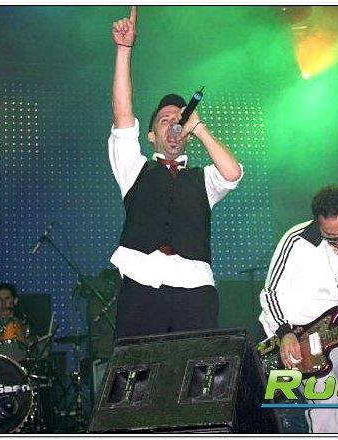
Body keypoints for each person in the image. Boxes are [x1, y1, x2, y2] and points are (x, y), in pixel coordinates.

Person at [108, 8, 243, 339]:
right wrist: (124, 50)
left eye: (178, 120)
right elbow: (123, 114)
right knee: (138, 367)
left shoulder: (202, 179)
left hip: (195, 287)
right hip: (141, 282)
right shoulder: (135, 169)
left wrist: (199, 128)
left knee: (198, 368)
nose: (173, 125)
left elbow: (232, 174)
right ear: (151, 135)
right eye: (164, 120)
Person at [259, 186, 338, 433]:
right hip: (298, 338)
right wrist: (285, 333)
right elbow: (270, 292)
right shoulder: (296, 241)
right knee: (327, 402)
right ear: (317, 222)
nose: (337, 242)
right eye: (329, 236)